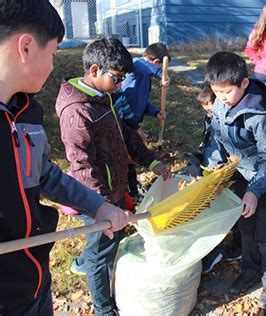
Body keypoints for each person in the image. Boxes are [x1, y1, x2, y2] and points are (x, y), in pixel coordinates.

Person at [0, 1, 129, 314]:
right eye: (54, 53)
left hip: (36, 279)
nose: (54, 65)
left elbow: (45, 175)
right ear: (27, 47)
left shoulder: (27, 112)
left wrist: (98, 205)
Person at [55, 36, 170, 315]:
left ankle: (96, 272)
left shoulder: (102, 96)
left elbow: (125, 134)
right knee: (101, 253)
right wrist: (101, 206)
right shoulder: (77, 111)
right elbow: (82, 166)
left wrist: (150, 161)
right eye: (117, 79)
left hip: (114, 192)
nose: (120, 85)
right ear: (95, 71)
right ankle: (104, 308)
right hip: (96, 198)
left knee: (108, 244)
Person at [204, 51, 266, 308]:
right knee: (246, 227)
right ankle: (249, 271)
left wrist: (255, 190)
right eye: (216, 93)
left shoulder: (262, 115)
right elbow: (217, 138)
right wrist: (214, 167)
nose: (221, 99)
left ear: (244, 83)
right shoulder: (220, 103)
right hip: (242, 172)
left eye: (226, 93)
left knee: (265, 233)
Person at [116, 42, 170, 198]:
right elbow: (140, 64)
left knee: (131, 156)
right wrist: (162, 75)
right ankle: (127, 190)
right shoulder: (135, 66)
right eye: (159, 66)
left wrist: (155, 112)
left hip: (134, 122)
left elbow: (142, 101)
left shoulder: (146, 78)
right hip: (122, 120)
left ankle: (133, 189)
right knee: (125, 156)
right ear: (155, 62)